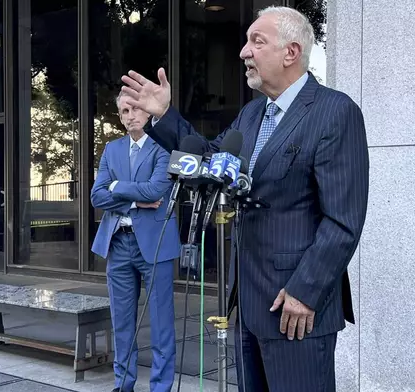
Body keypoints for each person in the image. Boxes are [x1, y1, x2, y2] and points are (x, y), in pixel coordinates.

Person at [120, 6, 369, 392]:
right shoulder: (252, 114)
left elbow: (343, 220)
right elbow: (208, 160)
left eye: (257, 41)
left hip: (295, 306)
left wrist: (305, 292)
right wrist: (165, 115)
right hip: (248, 305)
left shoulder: (335, 112)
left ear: (291, 52)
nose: (243, 52)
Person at [90, 91, 181, 392]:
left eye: (135, 109)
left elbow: (156, 190)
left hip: (155, 245)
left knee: (161, 324)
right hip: (118, 244)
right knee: (122, 322)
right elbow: (96, 195)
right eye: (124, 111)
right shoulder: (111, 149)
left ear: (146, 110)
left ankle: (160, 387)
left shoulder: (163, 146)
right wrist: (134, 202)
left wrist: (117, 186)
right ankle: (123, 384)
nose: (131, 116)